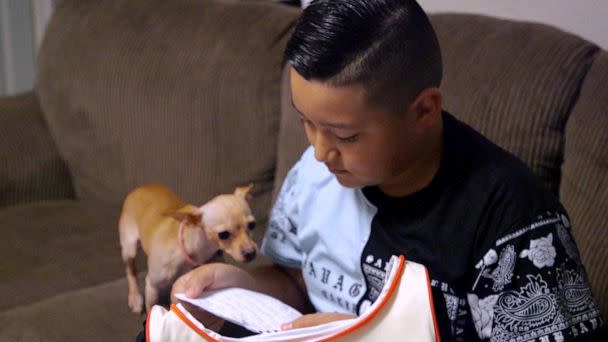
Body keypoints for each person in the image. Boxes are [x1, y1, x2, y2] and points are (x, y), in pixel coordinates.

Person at [171, 0, 604, 340]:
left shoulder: (515, 220)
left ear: (423, 111)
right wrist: (238, 286)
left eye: (345, 136)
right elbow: (299, 283)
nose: (320, 152)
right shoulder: (317, 172)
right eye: (306, 121)